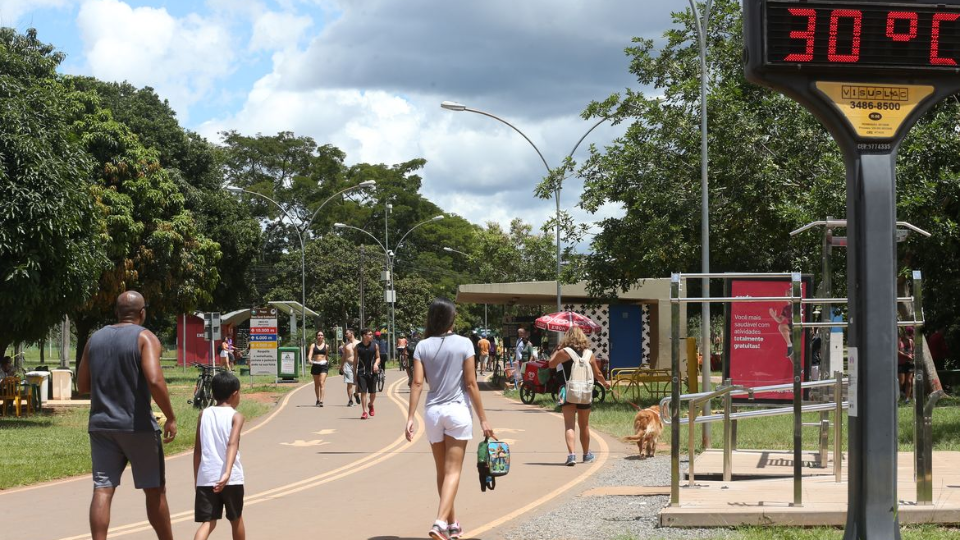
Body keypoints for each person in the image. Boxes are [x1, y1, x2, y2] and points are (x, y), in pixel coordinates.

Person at [76, 291, 177, 540]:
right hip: (137, 426)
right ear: (142, 313)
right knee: (154, 490)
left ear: (116, 312)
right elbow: (155, 379)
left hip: (101, 426)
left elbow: (82, 385)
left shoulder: (94, 339)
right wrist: (170, 416)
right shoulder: (145, 337)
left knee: (102, 489)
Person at [406, 298, 495, 540]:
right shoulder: (465, 343)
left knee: (442, 472)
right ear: (451, 318)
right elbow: (471, 383)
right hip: (457, 411)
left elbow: (417, 383)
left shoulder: (422, 346)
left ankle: (452, 524)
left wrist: (410, 417)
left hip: (433, 413)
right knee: (453, 471)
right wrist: (483, 419)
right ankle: (439, 522)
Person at [547, 326, 610, 466]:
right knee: (584, 425)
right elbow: (598, 374)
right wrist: (605, 384)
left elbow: (551, 364)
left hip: (567, 391)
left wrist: (557, 349)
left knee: (569, 425)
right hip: (585, 392)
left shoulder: (563, 352)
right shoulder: (589, 354)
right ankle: (586, 454)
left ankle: (571, 456)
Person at [193, 371, 245, 540]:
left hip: (207, 477)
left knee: (208, 522)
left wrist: (197, 479)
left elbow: (198, 451)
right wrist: (227, 472)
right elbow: (232, 444)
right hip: (231, 479)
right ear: (235, 394)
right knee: (236, 519)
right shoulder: (237, 416)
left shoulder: (203, 414)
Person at [356, 329, 381, 419]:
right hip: (361, 372)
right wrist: (355, 373)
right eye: (369, 334)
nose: (371, 336)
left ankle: (370, 404)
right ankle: (364, 411)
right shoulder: (358, 347)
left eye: (371, 334)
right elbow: (355, 361)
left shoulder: (375, 345)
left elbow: (378, 358)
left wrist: (376, 364)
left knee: (373, 392)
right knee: (363, 392)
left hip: (372, 372)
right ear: (364, 336)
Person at [307, 331, 330, 407]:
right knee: (316, 384)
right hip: (315, 365)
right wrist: (310, 360)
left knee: (321, 382)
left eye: (321, 335)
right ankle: (318, 399)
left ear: (323, 337)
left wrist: (327, 362)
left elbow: (326, 355)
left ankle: (321, 401)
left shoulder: (326, 346)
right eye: (318, 335)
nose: (320, 336)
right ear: (316, 336)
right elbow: (310, 354)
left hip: (323, 365)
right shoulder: (313, 345)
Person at [340, 330, 359, 407]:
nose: (346, 335)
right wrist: (341, 366)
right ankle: (350, 400)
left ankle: (356, 394)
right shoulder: (346, 345)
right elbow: (344, 356)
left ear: (352, 333)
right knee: (349, 383)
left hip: (357, 365)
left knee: (358, 382)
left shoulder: (358, 343)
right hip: (348, 364)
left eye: (347, 333)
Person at [898, 327, 916, 403]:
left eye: (911, 334)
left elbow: (914, 350)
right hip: (901, 364)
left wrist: (913, 355)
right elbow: (897, 351)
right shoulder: (900, 341)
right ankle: (897, 397)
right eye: (909, 334)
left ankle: (907, 399)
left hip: (910, 364)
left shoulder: (911, 341)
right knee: (901, 382)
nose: (910, 336)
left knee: (909, 381)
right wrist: (906, 356)